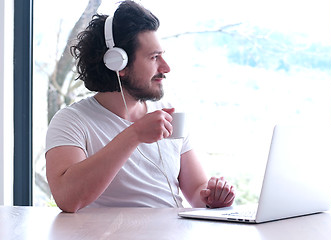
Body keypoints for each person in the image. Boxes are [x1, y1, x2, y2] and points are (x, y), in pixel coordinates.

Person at [45, 0, 235, 213]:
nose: (166, 67)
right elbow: (67, 199)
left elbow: (198, 191)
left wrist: (213, 197)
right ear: (118, 64)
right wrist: (134, 134)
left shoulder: (170, 113)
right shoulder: (71, 121)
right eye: (154, 57)